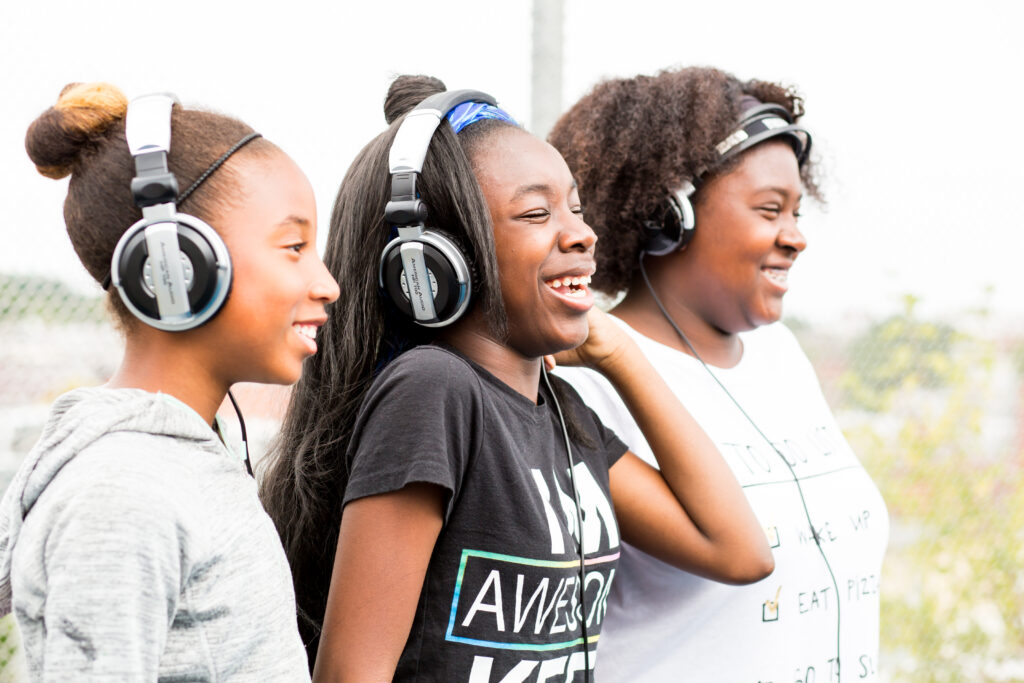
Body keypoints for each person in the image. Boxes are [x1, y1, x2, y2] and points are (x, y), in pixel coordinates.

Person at [260, 75, 774, 682]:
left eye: (576, 209)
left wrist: (623, 357)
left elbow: (738, 552)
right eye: (536, 213)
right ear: (432, 260)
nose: (581, 234)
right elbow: (352, 676)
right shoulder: (433, 392)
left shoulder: (564, 414)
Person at [547, 66, 890, 682]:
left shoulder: (783, 356)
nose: (796, 237)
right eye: (769, 210)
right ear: (667, 216)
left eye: (797, 211)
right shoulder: (584, 382)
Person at [0, 82, 339, 680]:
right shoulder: (123, 492)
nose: (327, 284)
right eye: (294, 247)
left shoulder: (175, 459)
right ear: (174, 264)